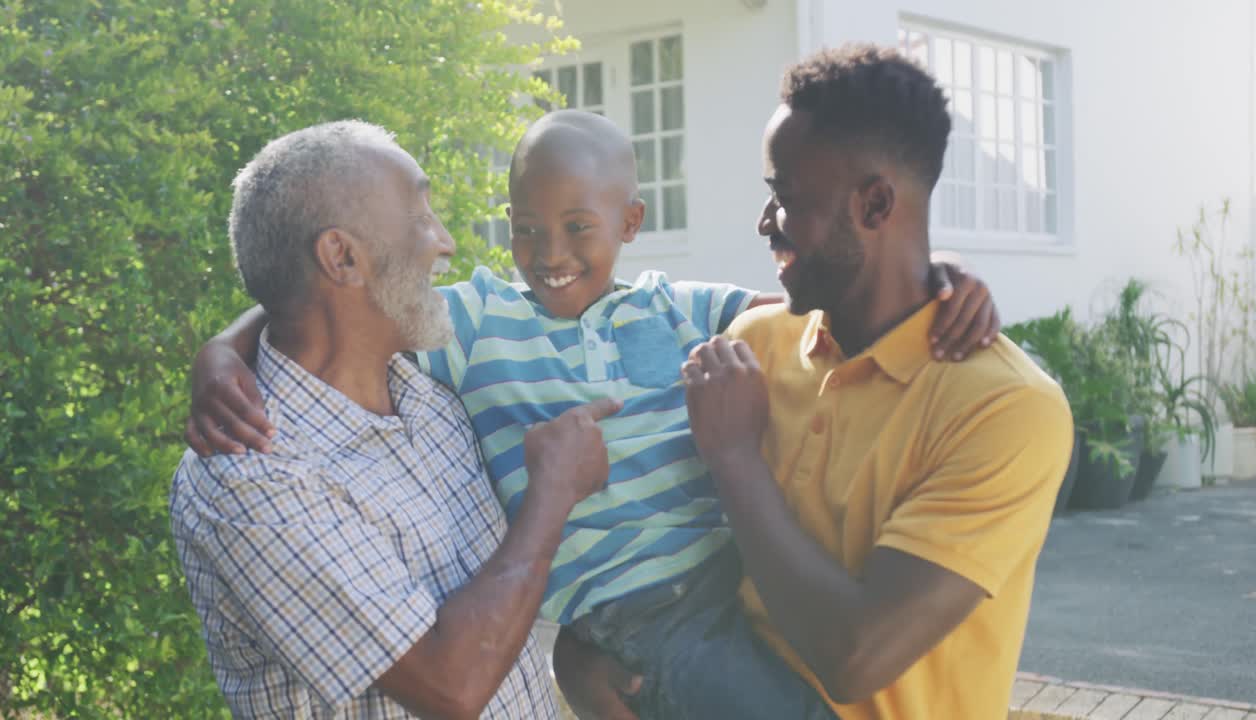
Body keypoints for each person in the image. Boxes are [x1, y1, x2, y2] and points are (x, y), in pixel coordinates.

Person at [186, 111, 1001, 718]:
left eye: (578, 228)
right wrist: (224, 351)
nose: (445, 241)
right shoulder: (445, 348)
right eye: (525, 230)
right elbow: (315, 309)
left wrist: (929, 280)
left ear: (629, 225)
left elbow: (814, 312)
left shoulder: (434, 391)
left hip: (726, 585)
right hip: (652, 625)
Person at [673, 45, 1074, 719]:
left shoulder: (1006, 409)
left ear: (876, 203)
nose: (764, 223)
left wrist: (737, 459)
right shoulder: (751, 351)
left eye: (784, 198)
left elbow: (855, 656)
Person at [170, 120, 621, 719]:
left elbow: (302, 302)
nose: (446, 241)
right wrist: (553, 494)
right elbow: (450, 687)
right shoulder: (249, 477)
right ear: (342, 256)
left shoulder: (429, 390)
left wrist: (224, 344)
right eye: (420, 216)